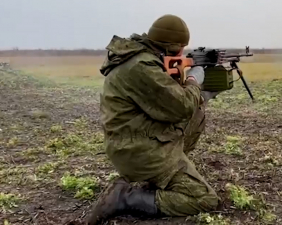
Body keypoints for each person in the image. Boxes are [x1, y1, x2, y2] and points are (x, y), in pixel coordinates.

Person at [85, 14, 221, 225]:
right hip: (138, 151)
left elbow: (169, 104)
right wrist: (194, 80)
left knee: (196, 112)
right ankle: (125, 198)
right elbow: (181, 106)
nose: (183, 53)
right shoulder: (142, 67)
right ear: (173, 47)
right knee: (204, 199)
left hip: (134, 143)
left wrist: (202, 96)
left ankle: (162, 177)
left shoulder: (142, 60)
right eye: (182, 48)